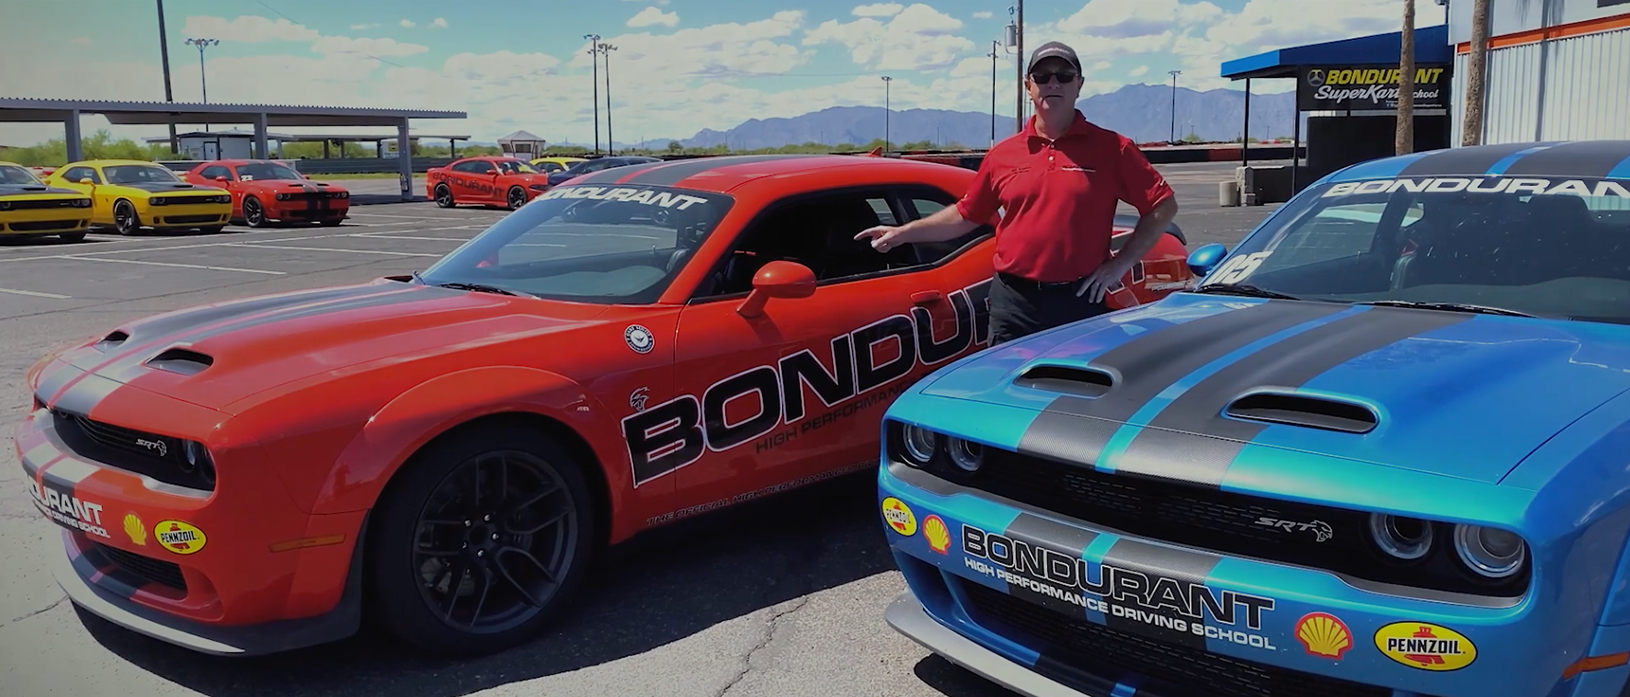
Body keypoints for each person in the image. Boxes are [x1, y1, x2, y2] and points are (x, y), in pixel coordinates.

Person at [855, 41, 1179, 345]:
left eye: (1064, 76)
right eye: (1043, 76)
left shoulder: (1113, 149)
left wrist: (1120, 264)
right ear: (1029, 86)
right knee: (1009, 397)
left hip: (1079, 300)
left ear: (1079, 84)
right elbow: (966, 215)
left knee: (1071, 398)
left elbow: (1163, 206)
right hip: (1014, 302)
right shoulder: (1003, 154)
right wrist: (901, 233)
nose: (1053, 84)